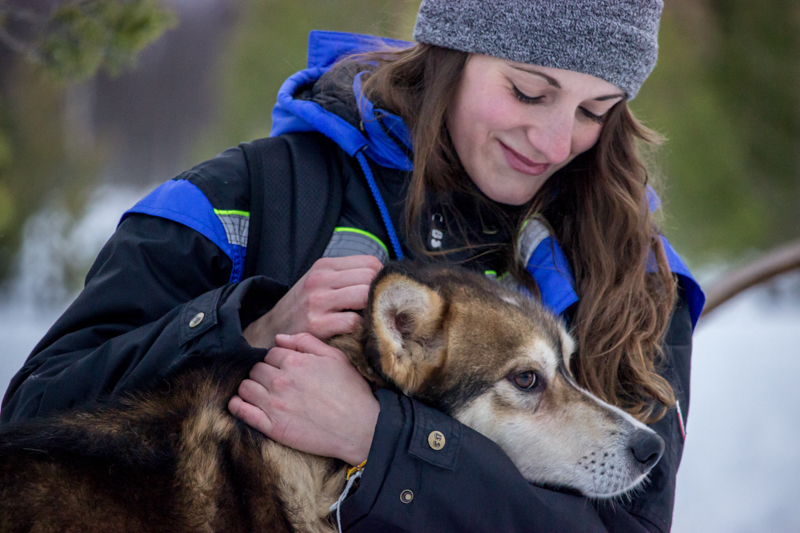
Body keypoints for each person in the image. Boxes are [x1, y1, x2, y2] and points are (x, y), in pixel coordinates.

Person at [1, 0, 705, 531]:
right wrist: (244, 325)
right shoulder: (249, 197)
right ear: (455, 50)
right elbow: (35, 415)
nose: (555, 141)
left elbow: (632, 525)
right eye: (528, 91)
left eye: (596, 110)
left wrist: (383, 445)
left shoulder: (631, 273)